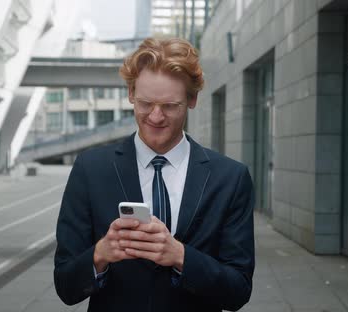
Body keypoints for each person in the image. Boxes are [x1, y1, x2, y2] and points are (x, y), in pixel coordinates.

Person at [53, 37, 255, 312]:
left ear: (192, 99)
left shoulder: (230, 178)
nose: (156, 117)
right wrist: (100, 254)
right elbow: (66, 286)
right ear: (131, 94)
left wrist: (180, 256)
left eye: (170, 106)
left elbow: (238, 290)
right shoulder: (90, 169)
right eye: (146, 103)